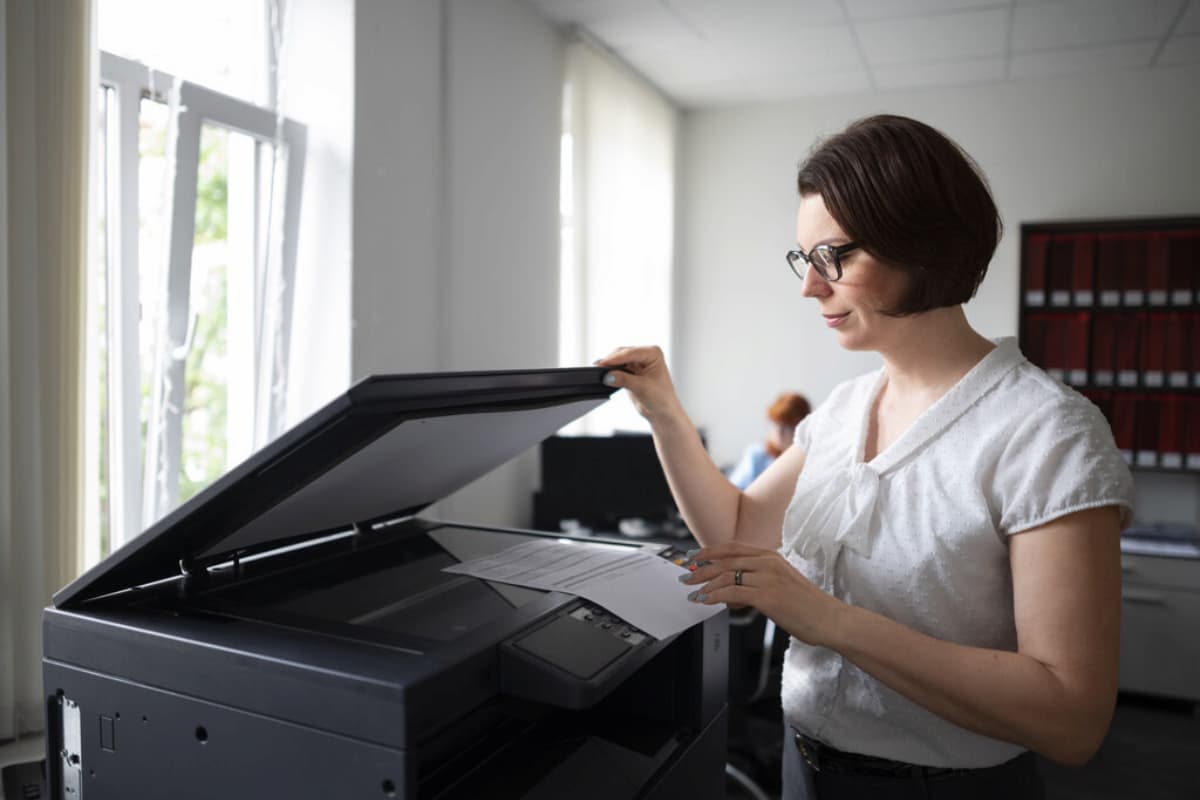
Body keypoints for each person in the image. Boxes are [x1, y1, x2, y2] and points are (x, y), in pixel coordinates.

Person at [595, 114, 1132, 800]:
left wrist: (829, 620)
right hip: (806, 765)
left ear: (922, 245)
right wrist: (665, 413)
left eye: (834, 258)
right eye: (804, 259)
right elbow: (736, 533)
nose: (809, 287)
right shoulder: (845, 409)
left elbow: (1071, 718)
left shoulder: (1047, 432)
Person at [728, 392, 811, 490]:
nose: (779, 432)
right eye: (776, 424)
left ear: (803, 427)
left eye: (787, 426)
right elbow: (735, 491)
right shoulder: (757, 454)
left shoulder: (810, 459)